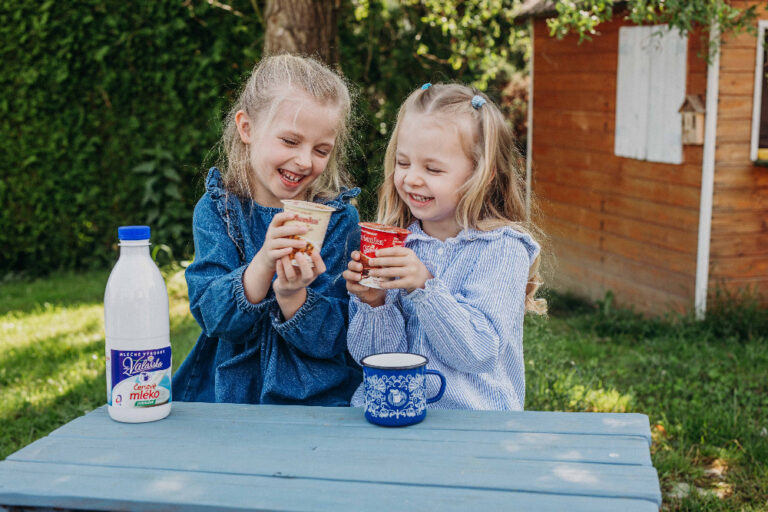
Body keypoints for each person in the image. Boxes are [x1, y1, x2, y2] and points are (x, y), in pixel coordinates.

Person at [344, 83, 546, 411]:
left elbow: (479, 351)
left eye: (433, 169)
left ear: (483, 176)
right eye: (403, 163)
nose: (411, 179)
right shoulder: (398, 242)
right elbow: (372, 358)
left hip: (471, 428)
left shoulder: (503, 250)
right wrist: (374, 303)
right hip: (393, 415)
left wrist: (425, 287)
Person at [173, 54, 362, 406]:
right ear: (247, 128)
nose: (305, 161)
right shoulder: (220, 211)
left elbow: (336, 337)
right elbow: (213, 316)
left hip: (315, 398)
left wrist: (293, 297)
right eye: (290, 142)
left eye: (321, 150)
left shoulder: (336, 220)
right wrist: (262, 265)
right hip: (231, 396)